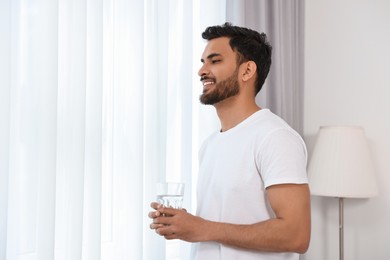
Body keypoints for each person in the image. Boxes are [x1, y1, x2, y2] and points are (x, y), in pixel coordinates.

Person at [149, 22, 311, 260]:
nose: (202, 71)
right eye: (203, 62)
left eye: (214, 61)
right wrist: (185, 223)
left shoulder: (275, 137)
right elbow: (222, 220)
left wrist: (203, 228)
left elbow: (296, 235)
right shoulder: (210, 144)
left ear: (246, 71)